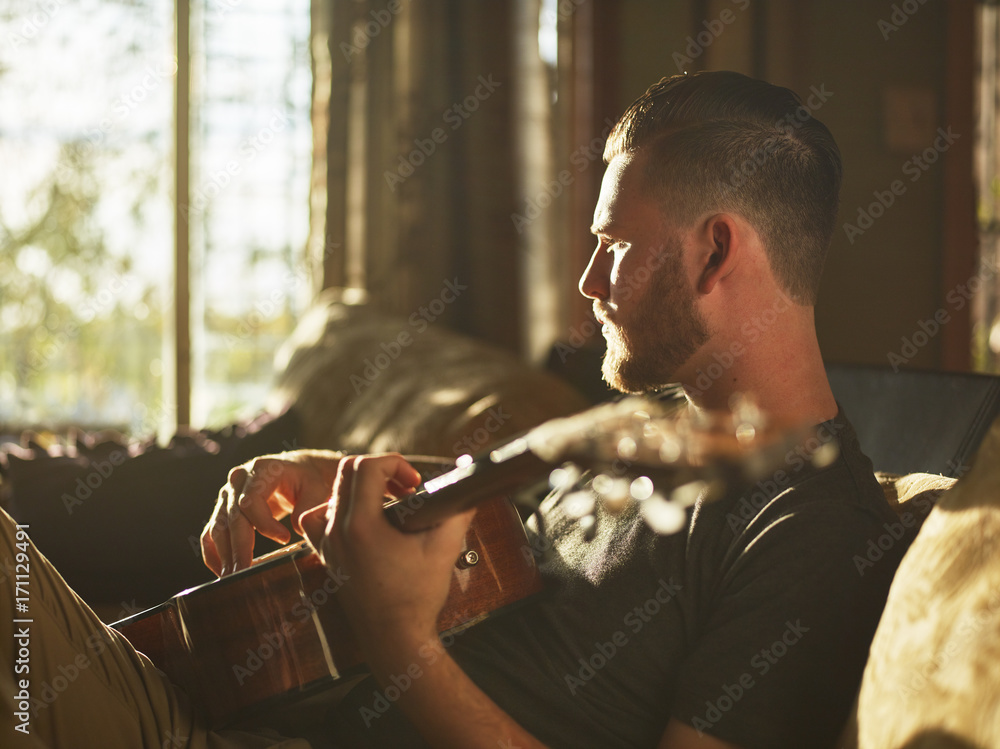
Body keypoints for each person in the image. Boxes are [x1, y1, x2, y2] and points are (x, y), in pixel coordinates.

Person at [0, 71, 905, 749]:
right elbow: (532, 550)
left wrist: (400, 642)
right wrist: (381, 484)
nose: (587, 283)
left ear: (715, 253)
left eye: (614, 245)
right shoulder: (653, 442)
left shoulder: (812, 531)